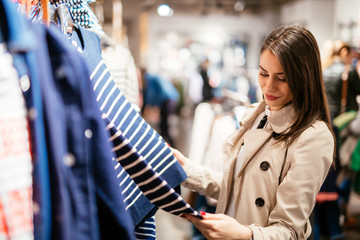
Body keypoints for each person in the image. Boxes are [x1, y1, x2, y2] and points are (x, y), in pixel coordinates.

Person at [171, 25, 334, 239]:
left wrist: (245, 234)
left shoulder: (313, 137)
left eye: (282, 78)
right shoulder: (258, 115)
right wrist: (187, 170)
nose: (268, 86)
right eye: (263, 73)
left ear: (304, 77)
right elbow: (240, 191)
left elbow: (289, 230)